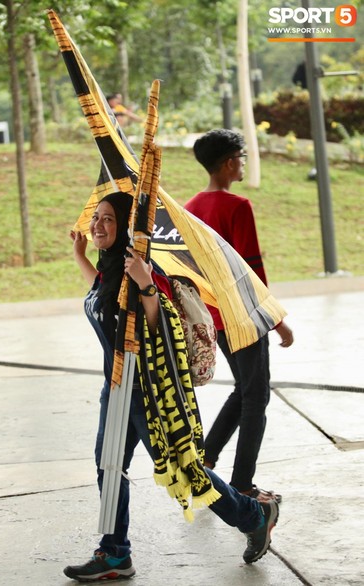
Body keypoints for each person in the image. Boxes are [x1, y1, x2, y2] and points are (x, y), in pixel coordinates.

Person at [64, 191, 279, 582]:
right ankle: (115, 553)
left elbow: (162, 328)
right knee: (108, 468)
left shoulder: (144, 272)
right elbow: (103, 301)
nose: (97, 225)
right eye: (96, 217)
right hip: (115, 389)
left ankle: (253, 516)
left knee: (185, 470)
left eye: (108, 219)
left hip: (147, 391)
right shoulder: (110, 270)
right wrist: (80, 255)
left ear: (127, 226)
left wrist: (147, 285)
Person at [185, 129, 294, 504]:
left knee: (244, 390)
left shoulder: (190, 208)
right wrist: (276, 319)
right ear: (230, 162)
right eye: (242, 158)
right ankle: (243, 485)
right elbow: (251, 269)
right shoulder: (238, 206)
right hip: (244, 316)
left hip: (213, 316)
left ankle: (204, 459)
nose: (243, 164)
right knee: (256, 397)